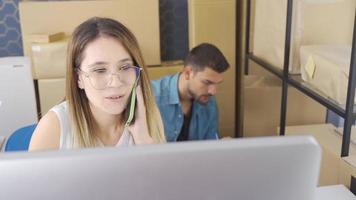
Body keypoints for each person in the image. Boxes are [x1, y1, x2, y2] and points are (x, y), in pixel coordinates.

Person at [29, 17, 165, 150]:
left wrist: (143, 140)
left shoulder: (149, 117)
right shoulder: (53, 127)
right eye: (100, 70)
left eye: (125, 67)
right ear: (78, 78)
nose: (116, 83)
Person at [151, 43, 229, 142]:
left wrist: (220, 146)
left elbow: (210, 147)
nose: (213, 91)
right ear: (188, 73)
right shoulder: (151, 98)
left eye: (217, 83)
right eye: (207, 82)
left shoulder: (209, 103)